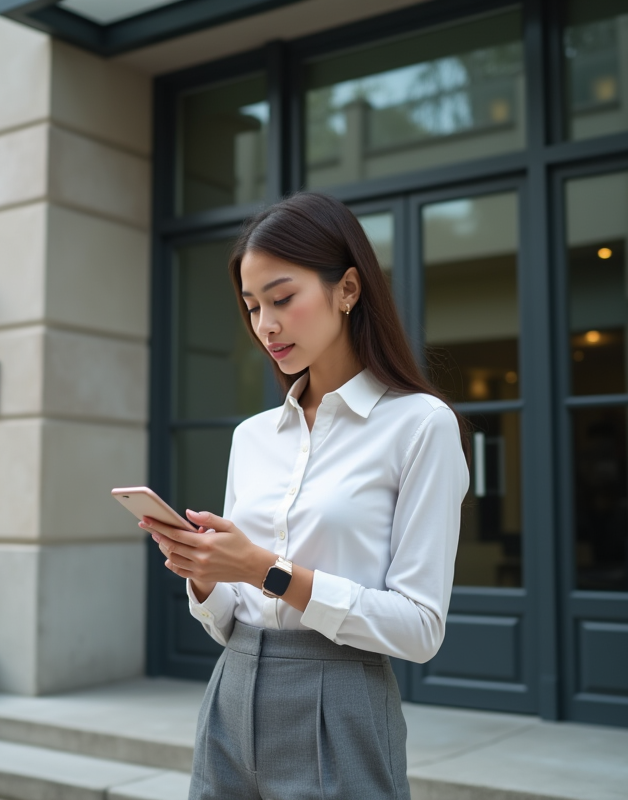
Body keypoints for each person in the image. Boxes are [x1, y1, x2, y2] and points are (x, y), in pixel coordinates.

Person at [138, 192, 471, 800]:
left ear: (347, 288)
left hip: (340, 704)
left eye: (283, 298)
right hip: (230, 695)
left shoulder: (421, 425)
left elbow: (421, 629)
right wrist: (207, 576)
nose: (265, 325)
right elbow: (230, 619)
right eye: (251, 306)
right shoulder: (254, 437)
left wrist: (265, 569)